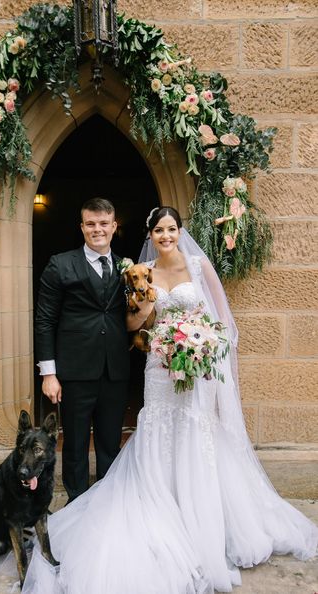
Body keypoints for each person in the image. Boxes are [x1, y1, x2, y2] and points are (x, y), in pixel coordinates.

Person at [24, 206, 317, 594]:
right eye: (159, 230)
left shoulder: (198, 265)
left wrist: (205, 346)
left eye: (171, 229)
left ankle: (201, 519)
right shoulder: (140, 273)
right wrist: (148, 313)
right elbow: (131, 323)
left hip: (198, 368)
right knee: (149, 434)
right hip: (160, 367)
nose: (165, 236)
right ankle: (135, 507)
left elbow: (223, 321)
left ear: (179, 232)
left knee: (197, 437)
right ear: (149, 235)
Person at [35, 197, 130, 503]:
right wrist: (49, 374)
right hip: (74, 370)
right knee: (74, 442)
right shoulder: (60, 264)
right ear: (82, 227)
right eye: (91, 224)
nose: (97, 230)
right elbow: (45, 320)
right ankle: (77, 501)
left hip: (115, 368)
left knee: (109, 440)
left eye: (104, 224)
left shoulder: (128, 268)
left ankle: (107, 500)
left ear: (114, 227)